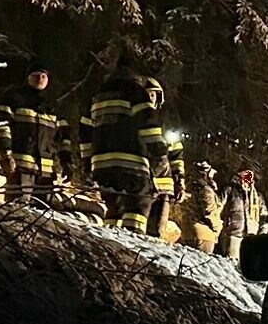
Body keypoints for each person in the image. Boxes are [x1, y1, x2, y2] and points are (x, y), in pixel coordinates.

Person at [82, 58, 166, 232]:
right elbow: (148, 125)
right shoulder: (135, 92)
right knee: (137, 208)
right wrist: (159, 153)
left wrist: (87, 163)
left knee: (112, 209)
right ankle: (130, 247)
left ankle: (109, 245)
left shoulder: (97, 95)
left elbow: (85, 131)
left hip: (101, 166)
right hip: (131, 164)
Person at [0, 59, 58, 200]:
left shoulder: (50, 106)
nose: (40, 79)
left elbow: (60, 138)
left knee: (42, 217)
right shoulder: (14, 98)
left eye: (43, 76)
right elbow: (0, 125)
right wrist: (6, 154)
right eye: (36, 75)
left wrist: (63, 163)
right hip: (19, 168)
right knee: (17, 211)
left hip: (45, 175)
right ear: (28, 77)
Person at [141, 77, 185, 240]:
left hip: (164, 187)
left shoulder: (164, 123)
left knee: (158, 232)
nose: (150, 98)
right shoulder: (134, 120)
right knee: (138, 227)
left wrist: (179, 181)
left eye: (153, 95)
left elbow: (176, 156)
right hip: (142, 185)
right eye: (147, 94)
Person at [219, 168, 268, 261]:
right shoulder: (229, 190)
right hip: (233, 235)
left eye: (250, 175)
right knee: (230, 266)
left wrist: (262, 234)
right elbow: (218, 209)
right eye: (245, 174)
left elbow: (264, 217)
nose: (247, 177)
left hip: (251, 238)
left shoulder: (257, 196)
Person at [181, 161, 223, 253]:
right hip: (204, 233)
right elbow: (210, 213)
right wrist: (217, 228)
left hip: (188, 230)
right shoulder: (206, 191)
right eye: (211, 176)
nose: (213, 179)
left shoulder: (190, 187)